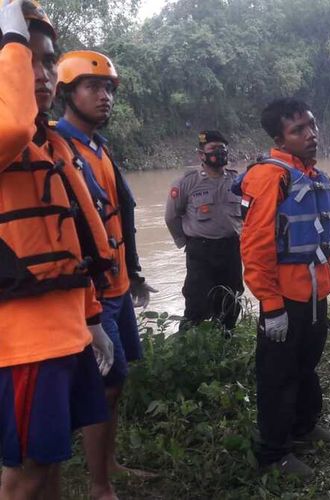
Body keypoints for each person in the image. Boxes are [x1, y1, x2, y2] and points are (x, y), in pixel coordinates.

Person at [0, 2, 116, 498]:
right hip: (23, 343)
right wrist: (11, 40)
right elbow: (10, 126)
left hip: (66, 333)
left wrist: (90, 318)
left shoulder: (51, 146)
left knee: (50, 465)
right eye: (29, 61)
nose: (43, 74)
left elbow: (69, 244)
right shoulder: (13, 138)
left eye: (48, 62)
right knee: (23, 478)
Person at [54, 49, 156, 487]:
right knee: (104, 382)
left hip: (116, 285)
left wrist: (132, 271)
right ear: (66, 93)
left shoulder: (98, 147)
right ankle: (100, 488)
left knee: (117, 380)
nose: (105, 96)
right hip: (89, 295)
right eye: (93, 87)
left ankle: (107, 466)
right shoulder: (55, 148)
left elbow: (118, 215)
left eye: (108, 89)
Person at [239, 98, 330, 477]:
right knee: (277, 376)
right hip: (284, 299)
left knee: (305, 365)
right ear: (279, 139)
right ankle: (273, 454)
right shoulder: (269, 177)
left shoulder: (313, 176)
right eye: (298, 130)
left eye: (312, 125)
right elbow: (255, 246)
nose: (311, 134)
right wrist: (271, 304)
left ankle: (304, 426)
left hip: (315, 295)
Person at [165, 130, 244, 332]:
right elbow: (172, 216)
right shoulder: (186, 182)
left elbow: (247, 214)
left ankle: (225, 344)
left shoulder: (237, 182)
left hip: (231, 250)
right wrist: (186, 242)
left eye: (223, 149)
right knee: (196, 304)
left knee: (230, 300)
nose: (219, 153)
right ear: (201, 155)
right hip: (201, 252)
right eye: (213, 149)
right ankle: (188, 350)